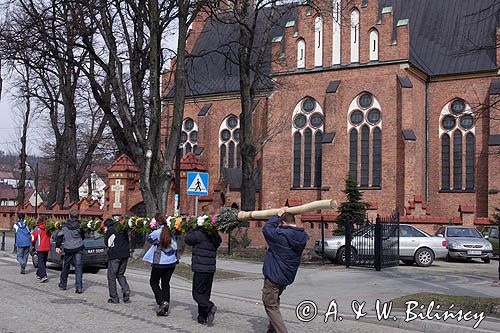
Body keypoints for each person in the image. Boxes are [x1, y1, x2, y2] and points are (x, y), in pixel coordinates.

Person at [261, 207, 309, 333]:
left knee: (270, 304)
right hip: (286, 276)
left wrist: (277, 215)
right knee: (274, 301)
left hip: (274, 275)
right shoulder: (302, 236)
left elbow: (266, 229)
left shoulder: (281, 235)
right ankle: (271, 330)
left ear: (283, 223)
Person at [184, 223, 222, 325]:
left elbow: (187, 239)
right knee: (205, 294)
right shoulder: (214, 236)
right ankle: (202, 317)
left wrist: (194, 228)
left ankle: (210, 307)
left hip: (200, 268)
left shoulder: (198, 234)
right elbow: (219, 241)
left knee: (196, 293)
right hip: (210, 268)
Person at [143, 213, 178, 316]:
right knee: (165, 284)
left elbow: (149, 239)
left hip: (160, 262)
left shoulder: (157, 232)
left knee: (153, 282)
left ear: (157, 222)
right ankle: (165, 308)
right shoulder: (171, 231)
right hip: (171, 262)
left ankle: (162, 302)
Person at [56, 210, 85, 294]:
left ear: (69, 216)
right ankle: (79, 287)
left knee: (66, 266)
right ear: (77, 216)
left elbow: (59, 236)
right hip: (78, 247)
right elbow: (82, 236)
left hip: (68, 248)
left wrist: (58, 246)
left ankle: (63, 284)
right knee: (78, 267)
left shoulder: (64, 226)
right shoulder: (80, 226)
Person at [104, 218, 131, 304]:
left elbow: (107, 243)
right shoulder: (122, 229)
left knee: (111, 276)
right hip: (125, 254)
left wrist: (106, 233)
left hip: (115, 255)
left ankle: (114, 298)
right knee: (120, 274)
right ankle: (126, 290)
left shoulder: (110, 230)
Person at [31, 215, 51, 282]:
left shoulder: (37, 228)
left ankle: (43, 276)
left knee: (40, 262)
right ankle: (39, 274)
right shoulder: (48, 228)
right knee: (43, 262)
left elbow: (33, 238)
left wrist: (32, 244)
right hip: (47, 246)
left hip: (40, 247)